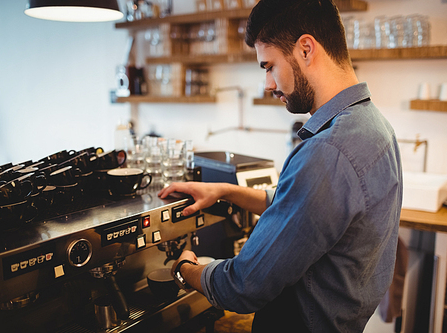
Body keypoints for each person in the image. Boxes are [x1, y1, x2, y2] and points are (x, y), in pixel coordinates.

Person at [158, 0, 403, 331]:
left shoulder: (328, 151)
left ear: (305, 49)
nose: (268, 85)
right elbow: (303, 210)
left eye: (269, 66)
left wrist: (186, 267)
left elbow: (243, 286)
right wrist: (225, 191)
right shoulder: (375, 127)